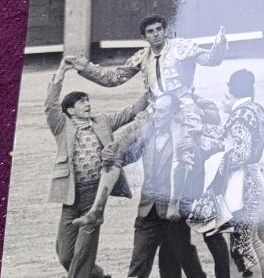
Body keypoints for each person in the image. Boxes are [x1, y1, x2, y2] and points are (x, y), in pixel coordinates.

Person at [74, 100, 217, 278]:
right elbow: (129, 155)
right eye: (155, 111)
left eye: (162, 112)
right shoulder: (148, 134)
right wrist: (111, 154)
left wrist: (176, 204)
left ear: (173, 113)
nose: (157, 115)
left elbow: (186, 171)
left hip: (173, 207)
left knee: (184, 254)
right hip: (148, 206)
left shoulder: (183, 137)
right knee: (139, 257)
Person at [72, 16, 227, 221]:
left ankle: (174, 204)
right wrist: (86, 67)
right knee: (115, 150)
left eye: (159, 29)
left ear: (165, 30)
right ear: (144, 36)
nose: (156, 34)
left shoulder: (181, 47)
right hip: (155, 111)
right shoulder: (141, 56)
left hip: (183, 110)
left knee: (183, 153)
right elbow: (113, 79)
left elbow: (210, 60)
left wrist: (219, 47)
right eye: (151, 31)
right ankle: (96, 210)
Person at [43, 56, 146, 278]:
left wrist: (152, 92)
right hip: (69, 195)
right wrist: (61, 71)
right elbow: (50, 104)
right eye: (81, 102)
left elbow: (131, 112)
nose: (87, 105)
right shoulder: (61, 125)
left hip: (94, 197)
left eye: (88, 100)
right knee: (66, 254)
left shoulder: (101, 121)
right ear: (69, 110)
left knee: (82, 255)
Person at [191, 69, 264, 278]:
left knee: (241, 246)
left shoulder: (240, 116)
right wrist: (205, 132)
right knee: (253, 240)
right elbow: (228, 136)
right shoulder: (256, 110)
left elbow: (241, 152)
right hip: (257, 178)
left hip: (244, 184)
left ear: (231, 90)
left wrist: (218, 162)